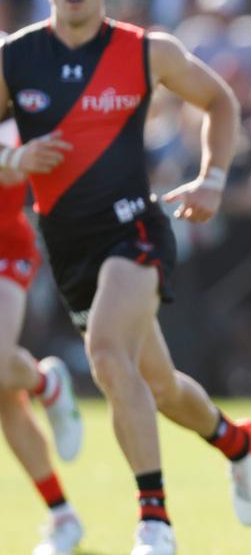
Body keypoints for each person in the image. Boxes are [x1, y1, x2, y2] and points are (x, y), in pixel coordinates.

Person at [0, 0, 251, 555]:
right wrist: (12, 163)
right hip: (68, 247)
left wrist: (212, 178)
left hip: (134, 227)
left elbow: (221, 102)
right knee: (162, 387)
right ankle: (237, 441)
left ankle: (154, 524)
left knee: (105, 355)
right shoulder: (15, 59)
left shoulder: (148, 50)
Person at [0, 116, 84, 555]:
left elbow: (13, 171)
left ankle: (46, 383)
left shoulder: (12, 107)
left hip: (4, 247)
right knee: (3, 396)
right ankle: (62, 516)